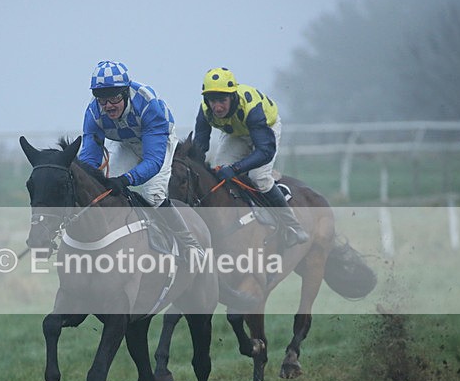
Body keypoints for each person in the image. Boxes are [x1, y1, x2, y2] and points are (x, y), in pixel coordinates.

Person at [78, 60, 204, 262]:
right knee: (106, 192)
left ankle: (190, 244)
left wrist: (126, 179)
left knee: (153, 195)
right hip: (126, 143)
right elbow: (89, 159)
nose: (108, 106)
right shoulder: (93, 113)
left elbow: (153, 161)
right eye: (102, 99)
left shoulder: (148, 105)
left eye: (114, 98)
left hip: (157, 141)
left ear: (126, 93)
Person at [193, 67, 309, 247]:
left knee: (258, 177)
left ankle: (292, 226)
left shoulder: (251, 108)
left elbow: (264, 151)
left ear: (232, 97)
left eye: (222, 100)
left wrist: (235, 169)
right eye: (212, 100)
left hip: (265, 131)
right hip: (236, 133)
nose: (217, 107)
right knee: (219, 173)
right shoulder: (205, 109)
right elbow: (199, 147)